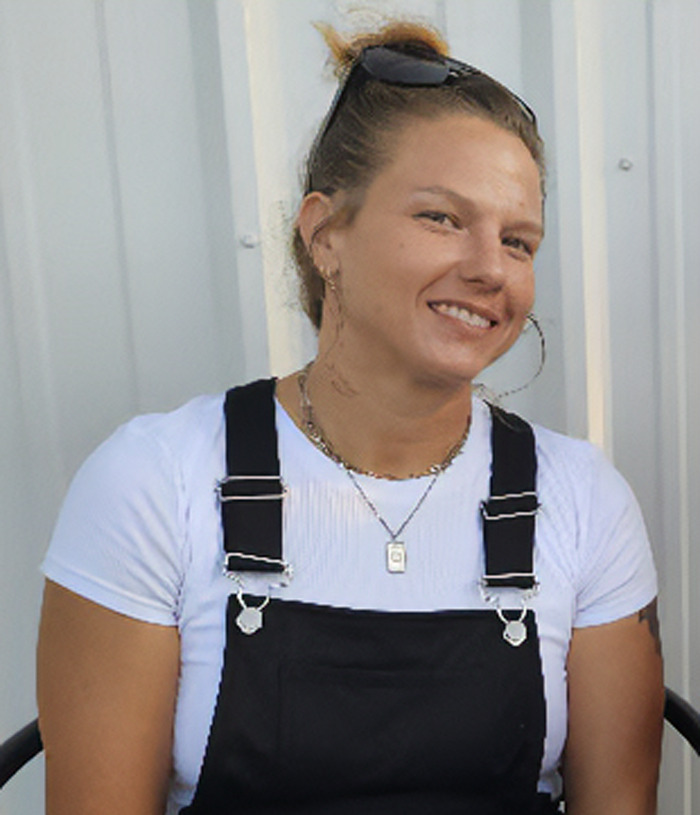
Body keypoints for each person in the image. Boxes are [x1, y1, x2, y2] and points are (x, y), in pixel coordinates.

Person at [37, 20, 663, 815]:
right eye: (441, 217)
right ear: (325, 233)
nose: (488, 267)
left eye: (518, 240)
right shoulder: (158, 483)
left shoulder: (582, 500)